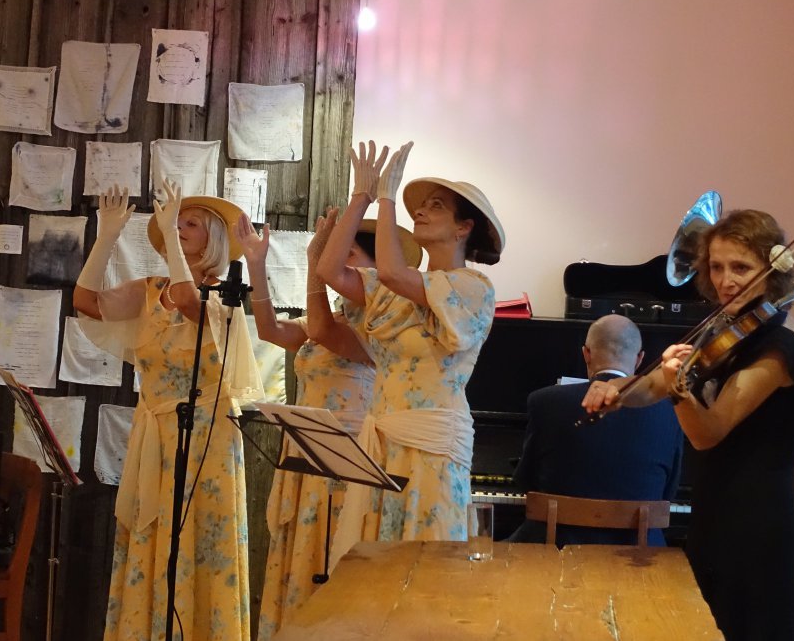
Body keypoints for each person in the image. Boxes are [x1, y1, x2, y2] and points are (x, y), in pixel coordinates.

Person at [582, 209, 794, 641]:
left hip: (756, 519)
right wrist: (615, 389)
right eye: (716, 267)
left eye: (741, 268)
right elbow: (652, 385)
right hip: (715, 511)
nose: (725, 280)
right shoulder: (728, 328)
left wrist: (680, 388)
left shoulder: (779, 347)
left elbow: (708, 432)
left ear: (773, 269)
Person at [73, 182, 262, 641]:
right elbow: (86, 303)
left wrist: (173, 246)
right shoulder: (150, 290)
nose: (178, 228)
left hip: (206, 442)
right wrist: (106, 236)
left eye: (190, 223)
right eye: (175, 223)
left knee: (202, 543)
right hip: (156, 437)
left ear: (213, 239)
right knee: (154, 539)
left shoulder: (222, 295)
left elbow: (190, 302)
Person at [236, 208, 420, 640]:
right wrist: (257, 266)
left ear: (375, 269)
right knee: (304, 563)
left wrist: (315, 261)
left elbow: (318, 329)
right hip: (311, 455)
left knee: (335, 565)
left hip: (350, 463)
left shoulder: (384, 327)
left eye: (348, 253)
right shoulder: (332, 317)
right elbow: (270, 330)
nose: (338, 261)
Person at [317, 140, 504, 564]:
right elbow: (329, 270)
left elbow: (390, 271)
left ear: (463, 228)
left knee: (426, 563)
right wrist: (361, 196)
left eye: (436, 206)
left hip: (432, 442)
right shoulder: (395, 288)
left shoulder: (472, 288)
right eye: (421, 205)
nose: (420, 211)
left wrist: (387, 198)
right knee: (375, 563)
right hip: (383, 439)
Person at [509, 314, 683, 546]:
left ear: (586, 353)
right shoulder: (673, 409)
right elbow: (668, 492)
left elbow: (525, 481)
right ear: (639, 359)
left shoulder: (543, 401)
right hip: (639, 551)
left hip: (556, 548)